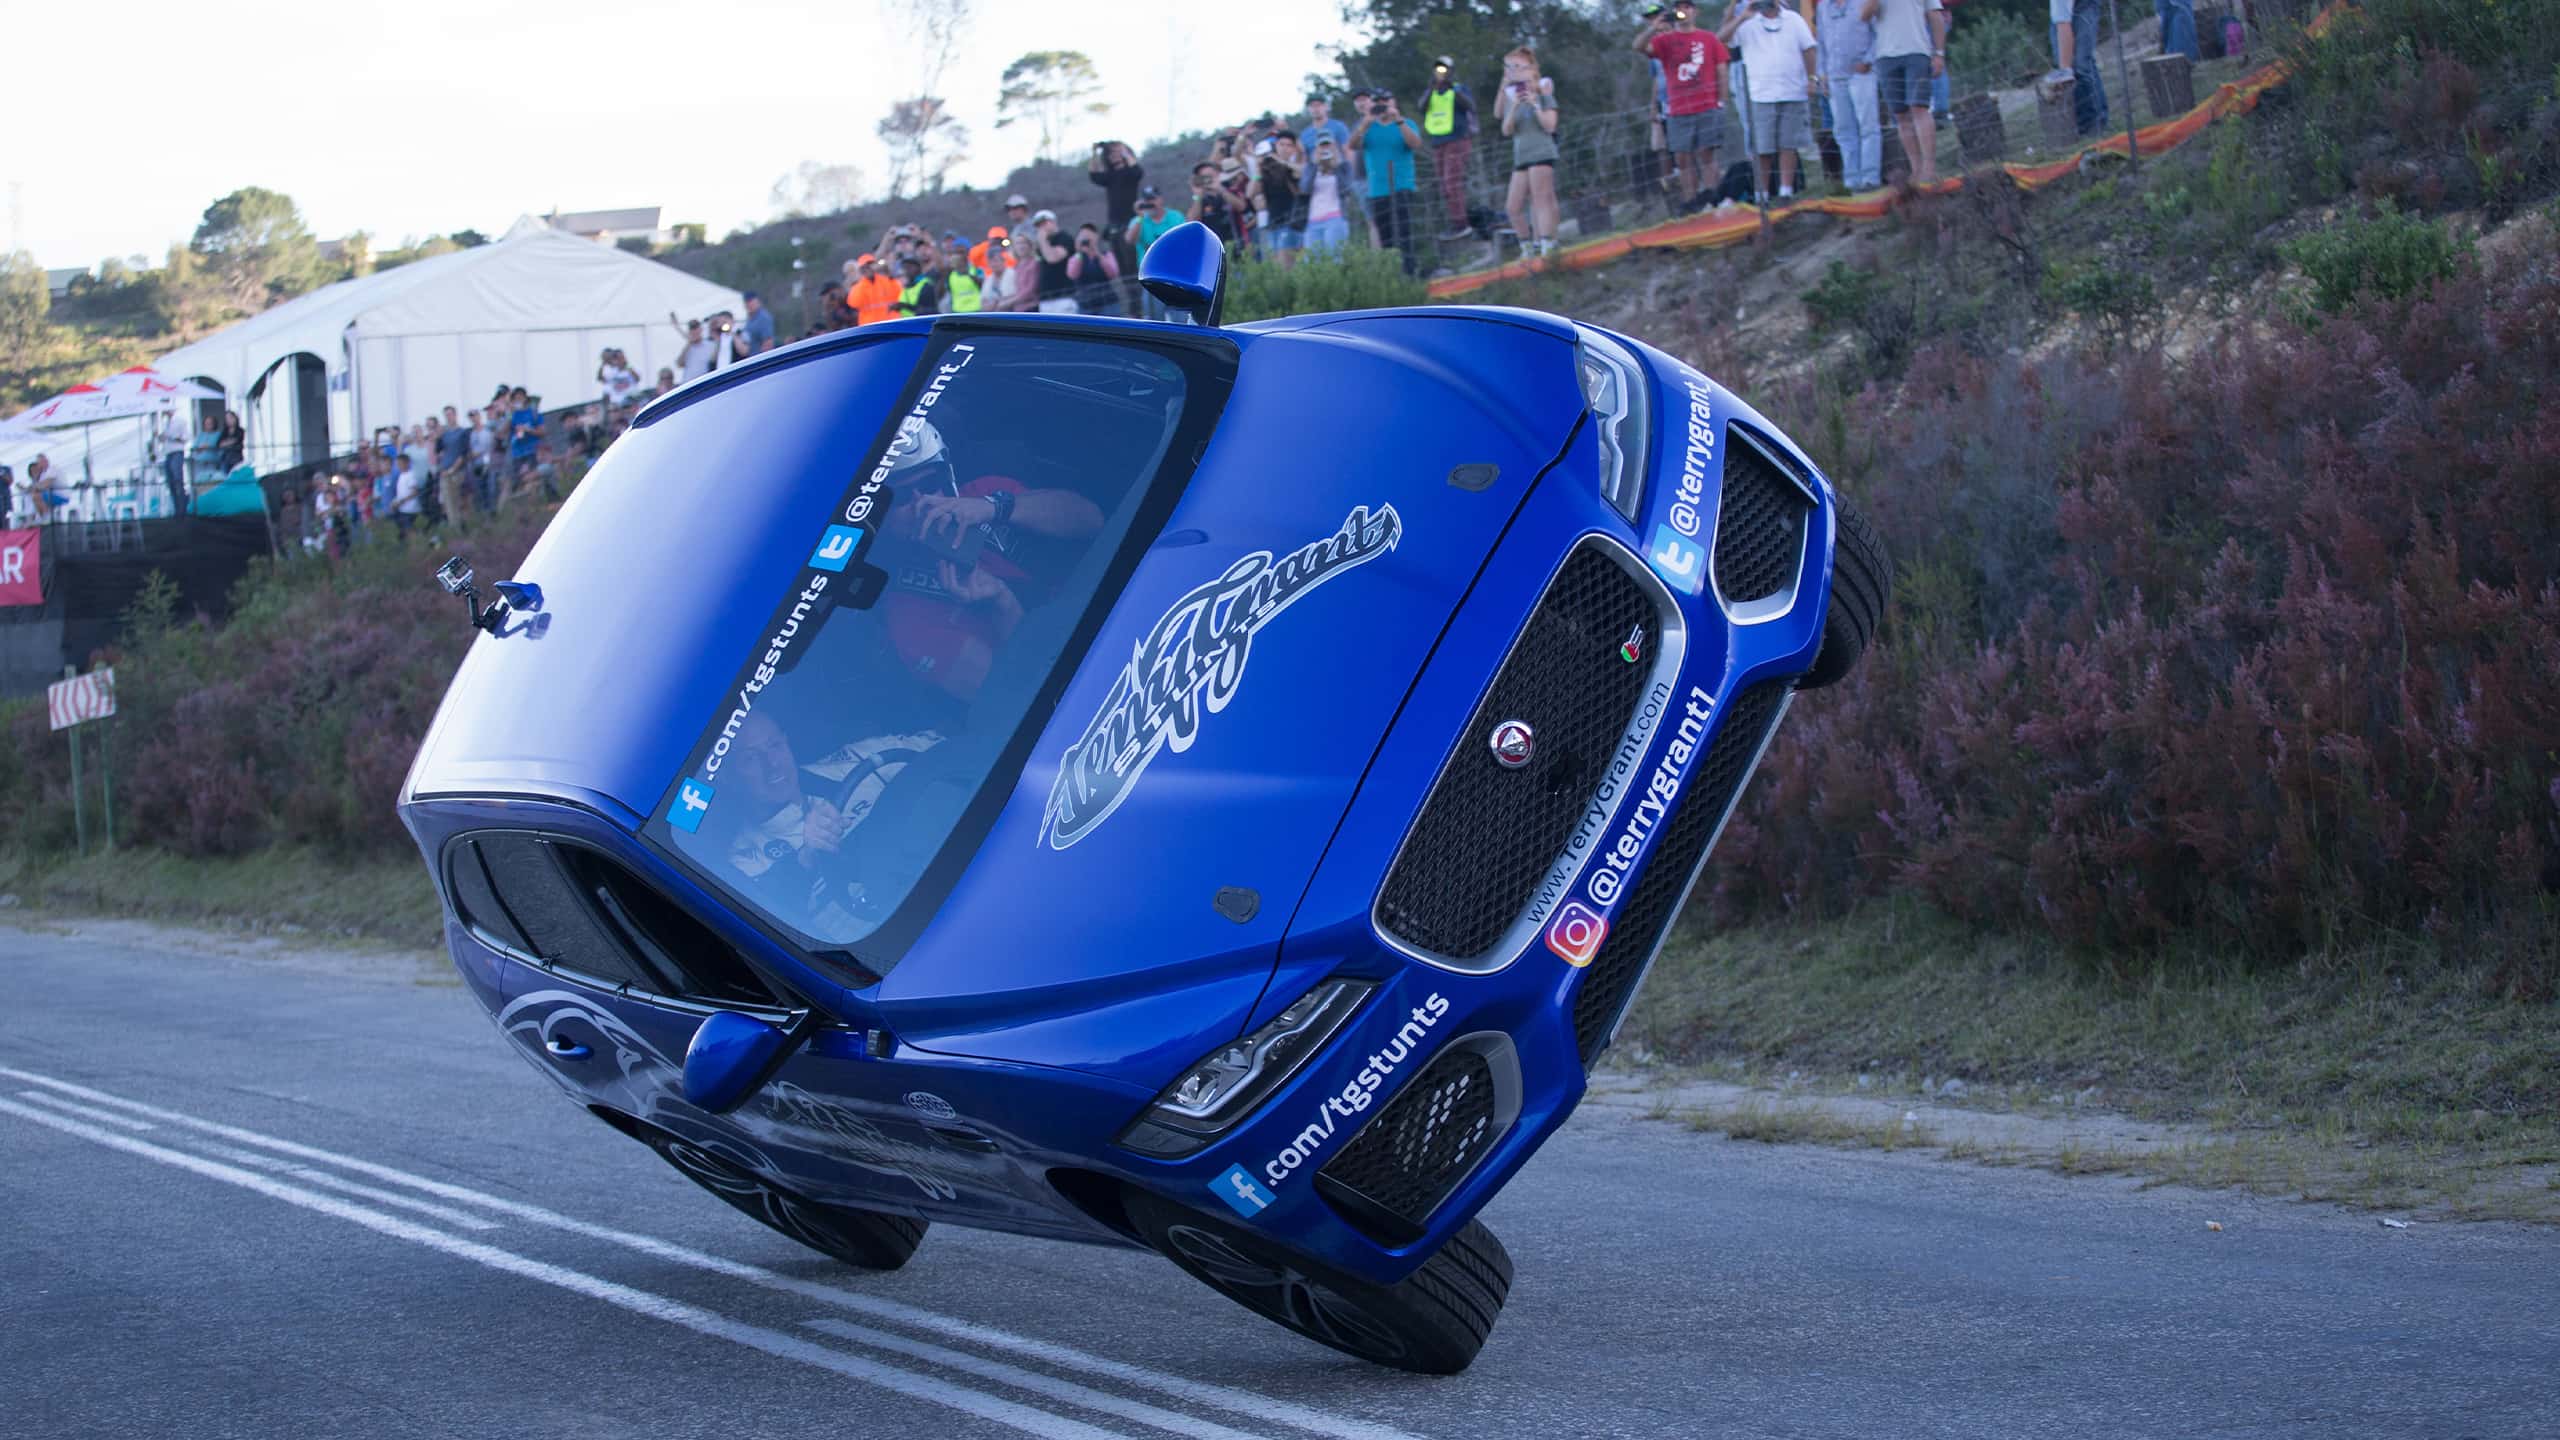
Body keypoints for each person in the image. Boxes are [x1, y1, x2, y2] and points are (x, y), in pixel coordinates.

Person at [1641, 1, 1735, 213]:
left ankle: (1713, 196)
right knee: (1682, 158)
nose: (1684, 12)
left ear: (1696, 11)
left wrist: (1722, 100)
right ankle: (1691, 202)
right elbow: (1639, 47)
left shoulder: (1709, 38)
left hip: (1707, 105)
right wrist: (1652, 28)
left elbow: (1722, 69)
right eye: (1679, 8)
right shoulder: (1664, 40)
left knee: (1707, 154)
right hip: (1678, 109)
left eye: (1688, 7)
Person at [1723, 0, 1820, 201]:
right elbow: (1721, 39)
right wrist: (1741, 15)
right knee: (1762, 148)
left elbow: (1809, 48)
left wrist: (1812, 79)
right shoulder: (1748, 23)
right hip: (1761, 94)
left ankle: (1786, 191)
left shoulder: (1793, 19)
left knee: (1788, 145)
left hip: (1793, 90)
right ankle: (1762, 194)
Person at [1866, 0, 1947, 184]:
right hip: (1885, 55)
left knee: (1919, 109)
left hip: (1917, 51)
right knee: (1900, 115)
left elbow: (1935, 15)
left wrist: (1939, 53)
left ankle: (1929, 169)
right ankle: (1916, 169)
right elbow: (1863, 16)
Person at [1498, 48, 1563, 257]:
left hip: (1541, 152)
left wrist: (1535, 105)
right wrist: (1515, 105)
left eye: (1518, 67)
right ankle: (1526, 245)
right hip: (1521, 156)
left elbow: (1550, 125)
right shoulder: (1511, 98)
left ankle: (1546, 243)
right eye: (1509, 67)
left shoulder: (1544, 94)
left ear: (1531, 69)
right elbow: (1506, 129)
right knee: (1512, 206)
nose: (1513, 72)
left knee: (1541, 198)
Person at [1352, 90, 1425, 274]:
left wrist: (1398, 120)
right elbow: (1352, 145)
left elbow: (1415, 144)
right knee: (1386, 238)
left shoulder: (1406, 124)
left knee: (1404, 234)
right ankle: (1391, 276)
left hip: (1402, 186)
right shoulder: (1369, 128)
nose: (1382, 105)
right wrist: (1365, 123)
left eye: (1386, 101)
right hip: (1377, 190)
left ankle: (1409, 274)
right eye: (1378, 102)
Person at [1819, 0, 1884, 190]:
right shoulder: (1823, 6)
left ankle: (1870, 178)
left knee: (1868, 126)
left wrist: (1868, 61)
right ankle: (1852, 180)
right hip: (1834, 77)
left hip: (1861, 74)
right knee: (1843, 130)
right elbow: (1821, 43)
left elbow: (1878, 33)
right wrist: (1821, 76)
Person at [1419, 55, 1481, 240]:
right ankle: (1456, 220)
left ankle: (1461, 224)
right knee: (1444, 186)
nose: (1441, 73)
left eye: (1444, 69)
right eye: (1438, 69)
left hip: (1457, 139)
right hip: (1438, 142)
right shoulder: (1430, 91)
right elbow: (1421, 107)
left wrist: (1453, 87)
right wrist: (1431, 89)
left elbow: (1470, 106)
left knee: (1452, 182)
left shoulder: (1459, 89)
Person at [2047, 0, 2109, 137]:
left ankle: (2093, 123)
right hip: (2063, 14)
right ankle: (2085, 124)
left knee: (2082, 65)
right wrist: (2065, 69)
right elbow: (2062, 23)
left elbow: (2064, 23)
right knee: (2075, 67)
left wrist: (2066, 71)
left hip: (2085, 5)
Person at [1254, 135, 1308, 268]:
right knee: (1275, 267)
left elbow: (1303, 174)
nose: (1284, 148)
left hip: (1291, 222)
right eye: (1281, 145)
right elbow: (1252, 193)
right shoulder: (1267, 170)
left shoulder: (1293, 167)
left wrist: (1283, 162)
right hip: (1273, 223)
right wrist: (1257, 169)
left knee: (1287, 265)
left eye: (1288, 145)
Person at [1300, 138, 1356, 257]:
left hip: (1335, 218)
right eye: (1322, 146)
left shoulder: (1344, 166)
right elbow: (1305, 189)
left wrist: (1334, 166)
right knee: (1312, 260)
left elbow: (1346, 190)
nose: (1325, 149)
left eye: (1328, 146)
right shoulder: (1310, 168)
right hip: (1313, 220)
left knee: (1335, 257)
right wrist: (1316, 165)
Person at [1025, 211, 1076, 315]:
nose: (1041, 228)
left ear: (1053, 222)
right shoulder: (1042, 245)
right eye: (1038, 226)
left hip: (1063, 296)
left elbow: (1052, 258)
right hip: (1045, 298)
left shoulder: (1064, 237)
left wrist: (1043, 241)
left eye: (1044, 223)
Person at [1067, 224, 1123, 315]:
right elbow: (1072, 274)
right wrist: (1079, 252)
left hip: (1108, 302)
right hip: (1086, 305)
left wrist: (1097, 253)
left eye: (1089, 235)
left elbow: (1113, 273)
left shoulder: (1106, 254)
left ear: (1096, 237)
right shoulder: (1076, 257)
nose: (1086, 239)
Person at [1189, 162, 1240, 247]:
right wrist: (1198, 196)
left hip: (1236, 243)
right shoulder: (1200, 199)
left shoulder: (1228, 190)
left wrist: (1220, 189)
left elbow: (1241, 207)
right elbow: (1192, 221)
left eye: (1210, 175)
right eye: (1204, 177)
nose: (1208, 179)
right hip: (1213, 246)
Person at [848, 255, 904, 325]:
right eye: (864, 267)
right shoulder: (858, 287)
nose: (867, 269)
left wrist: (889, 274)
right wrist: (861, 279)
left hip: (891, 324)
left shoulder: (888, 280)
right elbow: (854, 303)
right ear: (860, 270)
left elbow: (901, 294)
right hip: (870, 328)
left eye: (870, 265)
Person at [672, 315, 717, 380]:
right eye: (692, 329)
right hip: (688, 383)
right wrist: (688, 344)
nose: (694, 331)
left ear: (701, 329)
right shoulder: (687, 347)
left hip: (704, 382)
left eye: (696, 328)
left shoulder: (711, 345)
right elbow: (679, 364)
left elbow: (714, 361)